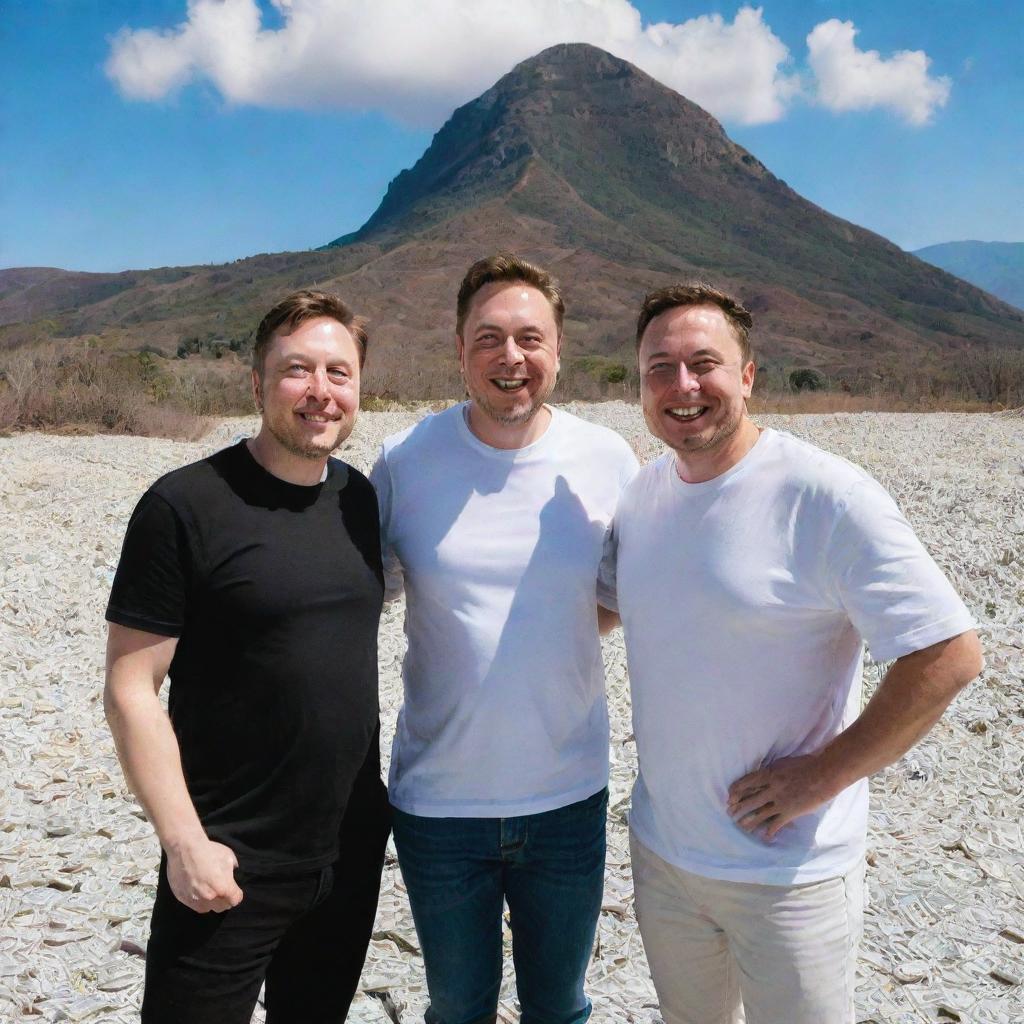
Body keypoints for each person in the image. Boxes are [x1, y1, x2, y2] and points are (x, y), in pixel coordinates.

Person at [604, 283, 983, 1024]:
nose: (682, 387)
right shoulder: (643, 496)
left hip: (790, 874)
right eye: (660, 367)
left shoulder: (825, 496)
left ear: (747, 375)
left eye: (704, 363)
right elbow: (603, 615)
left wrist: (823, 775)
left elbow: (948, 653)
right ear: (639, 384)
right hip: (665, 857)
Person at [104, 290, 390, 1024]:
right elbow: (132, 688)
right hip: (227, 858)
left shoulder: (358, 499)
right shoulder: (184, 505)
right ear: (257, 383)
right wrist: (183, 843)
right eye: (298, 370)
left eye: (339, 372)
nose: (321, 392)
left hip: (346, 853)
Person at [370, 254, 638, 1024]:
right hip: (438, 803)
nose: (510, 357)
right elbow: (358, 596)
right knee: (457, 1008)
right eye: (489, 337)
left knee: (560, 1007)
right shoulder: (406, 460)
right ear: (459, 348)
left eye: (529, 338)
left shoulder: (606, 459)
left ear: (557, 351)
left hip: (567, 796)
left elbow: (621, 596)